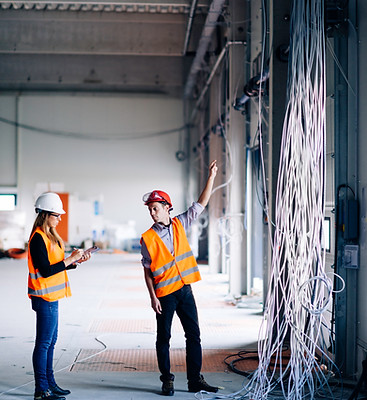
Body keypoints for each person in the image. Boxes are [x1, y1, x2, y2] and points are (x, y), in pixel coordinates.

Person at [141, 160, 219, 396]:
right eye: (150, 209)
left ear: (167, 207)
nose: (152, 213)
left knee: (193, 335)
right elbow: (146, 269)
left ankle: (195, 380)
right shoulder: (147, 238)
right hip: (164, 295)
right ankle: (167, 379)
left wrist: (212, 176)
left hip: (185, 290)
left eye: (156, 208)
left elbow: (201, 204)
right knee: (163, 337)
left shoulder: (179, 224)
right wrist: (152, 297)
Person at [28, 192, 91, 400]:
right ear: (45, 214)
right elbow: (45, 270)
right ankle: (41, 390)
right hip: (43, 298)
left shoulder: (50, 236)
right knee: (44, 343)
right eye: (57, 214)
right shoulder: (38, 238)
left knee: (51, 341)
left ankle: (50, 384)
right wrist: (69, 259)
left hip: (52, 296)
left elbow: (56, 267)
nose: (60, 218)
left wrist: (75, 262)